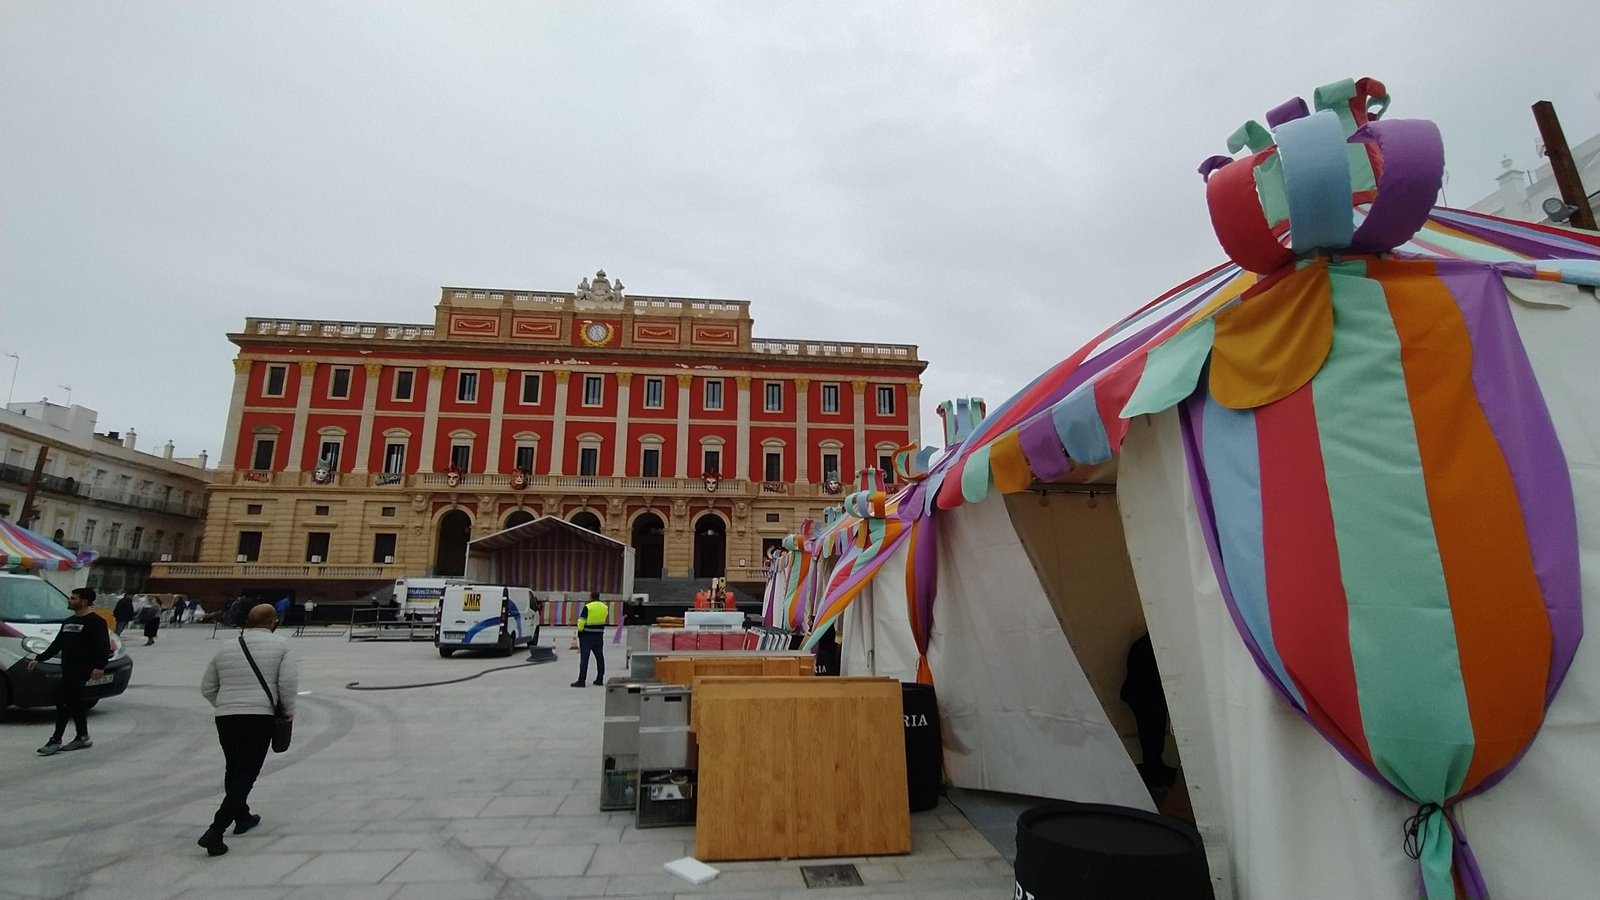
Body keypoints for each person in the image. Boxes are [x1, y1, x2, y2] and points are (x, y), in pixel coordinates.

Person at [198, 604, 298, 857]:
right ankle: (216, 830)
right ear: (273, 622)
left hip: (226, 717)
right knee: (248, 772)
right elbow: (287, 683)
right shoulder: (282, 645)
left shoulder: (226, 647)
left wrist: (226, 704)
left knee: (233, 768)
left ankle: (242, 816)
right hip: (259, 716)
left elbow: (207, 687)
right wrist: (287, 711)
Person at [29, 588, 110, 756]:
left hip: (83, 669)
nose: (69, 600)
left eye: (73, 598)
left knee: (62, 701)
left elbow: (103, 646)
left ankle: (55, 740)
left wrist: (100, 666)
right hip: (67, 668)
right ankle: (82, 736)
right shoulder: (68, 622)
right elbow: (57, 644)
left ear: (84, 602)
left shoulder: (96, 622)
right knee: (75, 703)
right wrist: (39, 658)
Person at [570, 591, 608, 688]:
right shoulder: (604, 607)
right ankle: (600, 679)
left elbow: (581, 621)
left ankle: (581, 681)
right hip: (599, 635)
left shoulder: (588, 607)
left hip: (587, 636)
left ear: (591, 597)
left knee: (584, 658)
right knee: (600, 657)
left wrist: (580, 631)